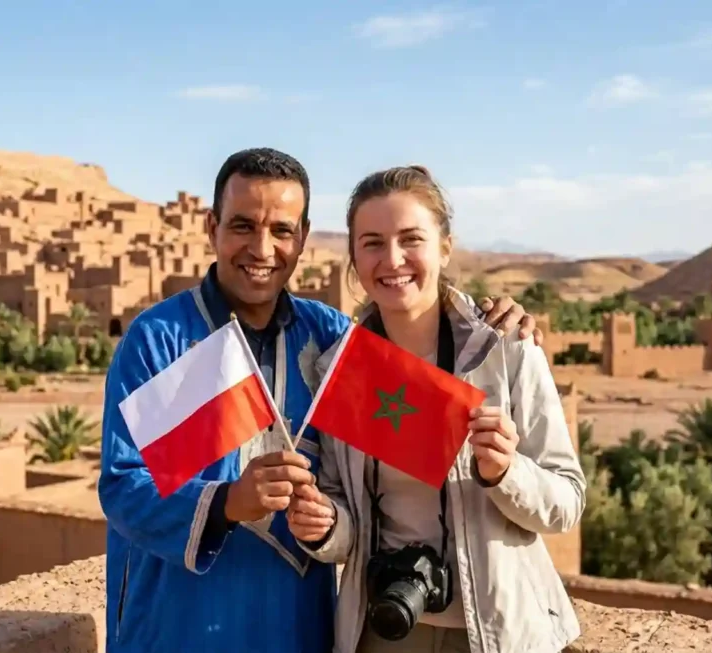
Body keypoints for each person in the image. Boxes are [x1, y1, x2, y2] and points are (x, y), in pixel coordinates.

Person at [98, 149, 546, 653]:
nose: (262, 248)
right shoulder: (160, 339)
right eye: (243, 226)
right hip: (175, 627)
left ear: (303, 237)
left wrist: (492, 324)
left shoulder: (330, 341)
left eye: (282, 231)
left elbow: (438, 433)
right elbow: (122, 488)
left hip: (294, 629)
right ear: (212, 227)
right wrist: (228, 502)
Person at [286, 164, 586, 653]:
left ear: (445, 247)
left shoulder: (502, 349)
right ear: (354, 259)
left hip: (497, 630)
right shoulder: (342, 370)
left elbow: (566, 503)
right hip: (386, 625)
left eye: (411, 239)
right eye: (373, 242)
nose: (393, 259)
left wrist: (505, 473)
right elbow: (346, 522)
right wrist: (323, 526)